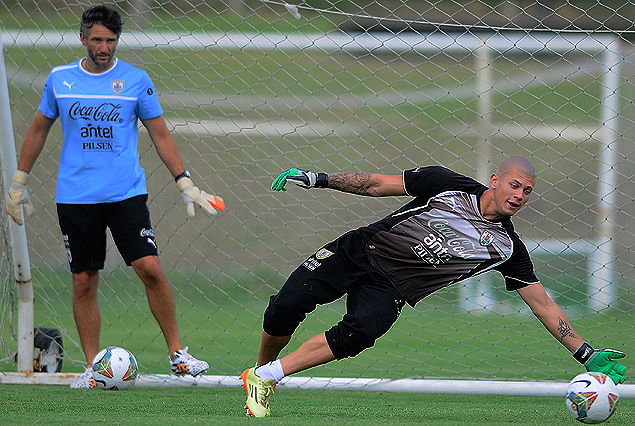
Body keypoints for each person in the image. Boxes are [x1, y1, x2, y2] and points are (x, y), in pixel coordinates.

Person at [239, 157, 627, 417]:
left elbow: (542, 304)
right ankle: (258, 372)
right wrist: (317, 179)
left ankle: (268, 377)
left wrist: (584, 352)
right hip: (357, 251)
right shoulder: (446, 184)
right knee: (284, 309)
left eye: (526, 192)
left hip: (391, 288)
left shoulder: (508, 248)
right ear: (495, 180)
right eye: (514, 185)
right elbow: (376, 184)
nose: (518, 196)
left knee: (359, 334)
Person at [5, 5, 225, 388]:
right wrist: (19, 181)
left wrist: (185, 182)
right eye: (97, 40)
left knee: (151, 270)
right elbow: (39, 128)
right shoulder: (61, 80)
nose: (104, 47)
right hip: (75, 198)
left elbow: (160, 134)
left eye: (110, 40)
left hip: (126, 195)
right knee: (84, 282)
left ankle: (179, 356)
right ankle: (94, 369)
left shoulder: (136, 80)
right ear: (83, 39)